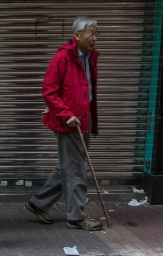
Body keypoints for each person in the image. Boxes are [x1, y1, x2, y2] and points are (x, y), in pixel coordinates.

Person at [24, 16, 103, 231]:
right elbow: (49, 90)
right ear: (77, 35)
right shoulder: (63, 58)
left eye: (97, 33)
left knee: (69, 166)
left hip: (83, 120)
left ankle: (38, 203)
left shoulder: (90, 56)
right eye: (91, 33)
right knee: (76, 169)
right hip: (70, 122)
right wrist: (65, 113)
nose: (95, 38)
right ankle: (76, 217)